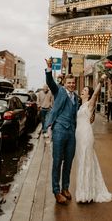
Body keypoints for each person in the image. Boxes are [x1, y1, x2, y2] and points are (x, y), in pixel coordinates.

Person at [45, 58, 78, 204]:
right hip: (59, 130)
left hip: (71, 132)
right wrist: (49, 69)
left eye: (73, 83)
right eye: (69, 83)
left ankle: (65, 188)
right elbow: (50, 82)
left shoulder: (76, 97)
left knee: (69, 162)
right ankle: (56, 191)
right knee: (57, 161)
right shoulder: (59, 91)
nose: (71, 85)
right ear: (65, 83)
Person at [75, 74, 112, 203]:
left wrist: (101, 81)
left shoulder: (90, 105)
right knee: (83, 161)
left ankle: (87, 193)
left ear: (89, 95)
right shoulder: (81, 106)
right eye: (83, 89)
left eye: (85, 90)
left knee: (87, 161)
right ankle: (84, 190)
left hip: (86, 135)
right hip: (79, 136)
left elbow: (96, 94)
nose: (83, 91)